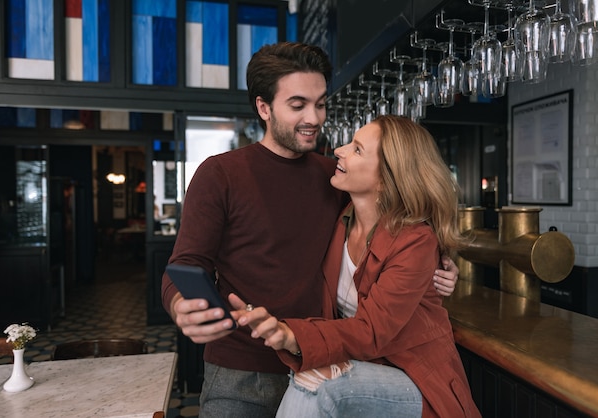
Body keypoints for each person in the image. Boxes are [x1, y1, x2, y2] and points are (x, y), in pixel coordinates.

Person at [161, 42, 459, 418]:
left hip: (329, 364)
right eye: (298, 105)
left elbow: (398, 222)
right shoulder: (220, 173)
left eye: (320, 104)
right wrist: (180, 305)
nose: (315, 118)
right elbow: (186, 263)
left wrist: (444, 261)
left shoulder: (334, 178)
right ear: (264, 108)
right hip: (242, 371)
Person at [234, 116, 481, 417]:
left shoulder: (416, 240)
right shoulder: (340, 219)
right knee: (314, 376)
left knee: (317, 380)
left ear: (386, 178)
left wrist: (293, 336)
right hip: (361, 367)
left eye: (357, 149)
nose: (339, 150)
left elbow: (372, 332)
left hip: (417, 380)